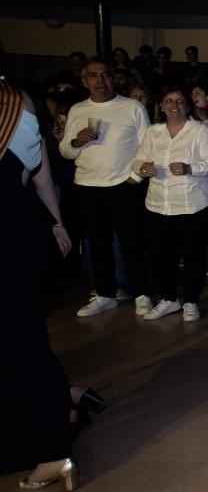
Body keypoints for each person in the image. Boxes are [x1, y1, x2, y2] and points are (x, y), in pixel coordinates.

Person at [2, 82, 80, 491]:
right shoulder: (16, 101)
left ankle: (53, 450)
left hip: (8, 238)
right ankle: (65, 406)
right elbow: (41, 177)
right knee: (24, 339)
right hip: (20, 227)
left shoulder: (11, 101)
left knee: (21, 343)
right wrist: (56, 223)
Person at [59, 60, 152, 317]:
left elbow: (148, 147)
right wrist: (77, 142)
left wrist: (135, 178)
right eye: (93, 76)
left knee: (132, 242)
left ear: (114, 79)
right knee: (97, 244)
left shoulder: (132, 107)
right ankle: (105, 294)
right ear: (84, 81)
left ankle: (142, 294)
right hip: (87, 186)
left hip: (123, 185)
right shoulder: (78, 109)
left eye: (106, 75)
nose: (100, 81)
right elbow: (64, 149)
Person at [130, 86, 208, 322]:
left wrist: (191, 168)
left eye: (180, 101)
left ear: (187, 105)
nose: (174, 105)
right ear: (161, 106)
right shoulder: (153, 132)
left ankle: (191, 301)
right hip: (157, 204)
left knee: (193, 256)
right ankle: (169, 298)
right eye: (169, 101)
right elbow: (137, 160)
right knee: (159, 256)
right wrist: (143, 167)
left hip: (194, 205)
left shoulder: (201, 131)